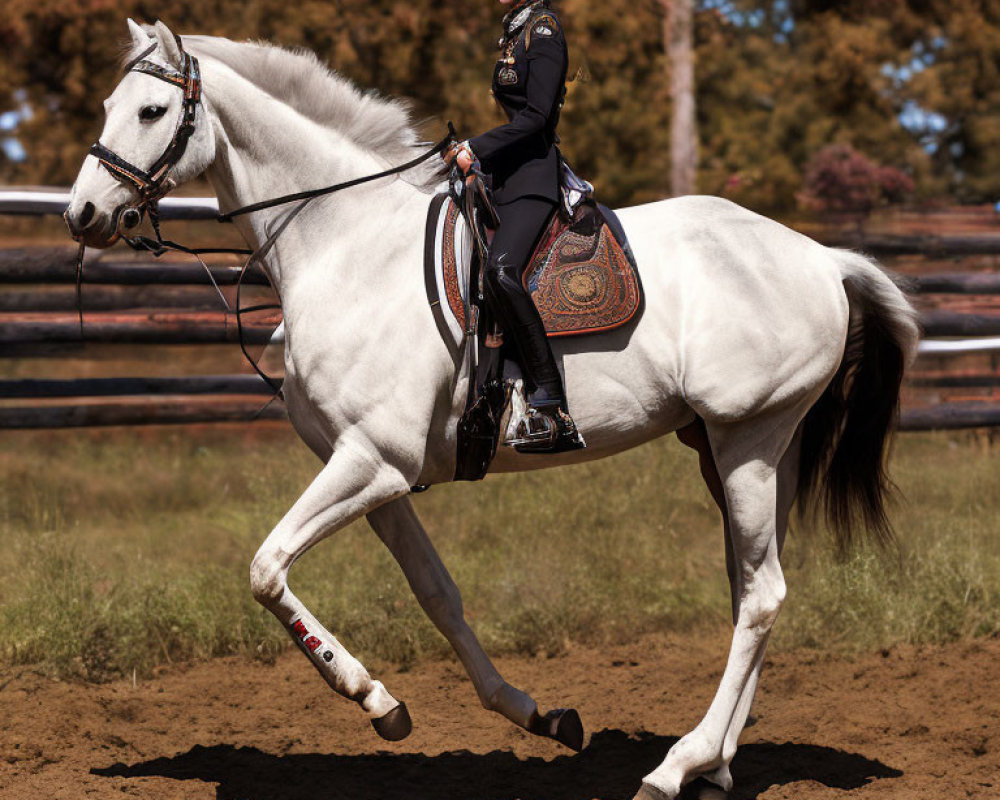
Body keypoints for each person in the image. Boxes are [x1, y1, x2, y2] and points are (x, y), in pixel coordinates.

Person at [446, 0, 585, 453]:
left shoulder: (543, 31)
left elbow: (538, 118)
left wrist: (478, 146)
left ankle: (552, 404)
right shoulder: (515, 31)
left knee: (501, 271)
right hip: (507, 175)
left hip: (534, 177)